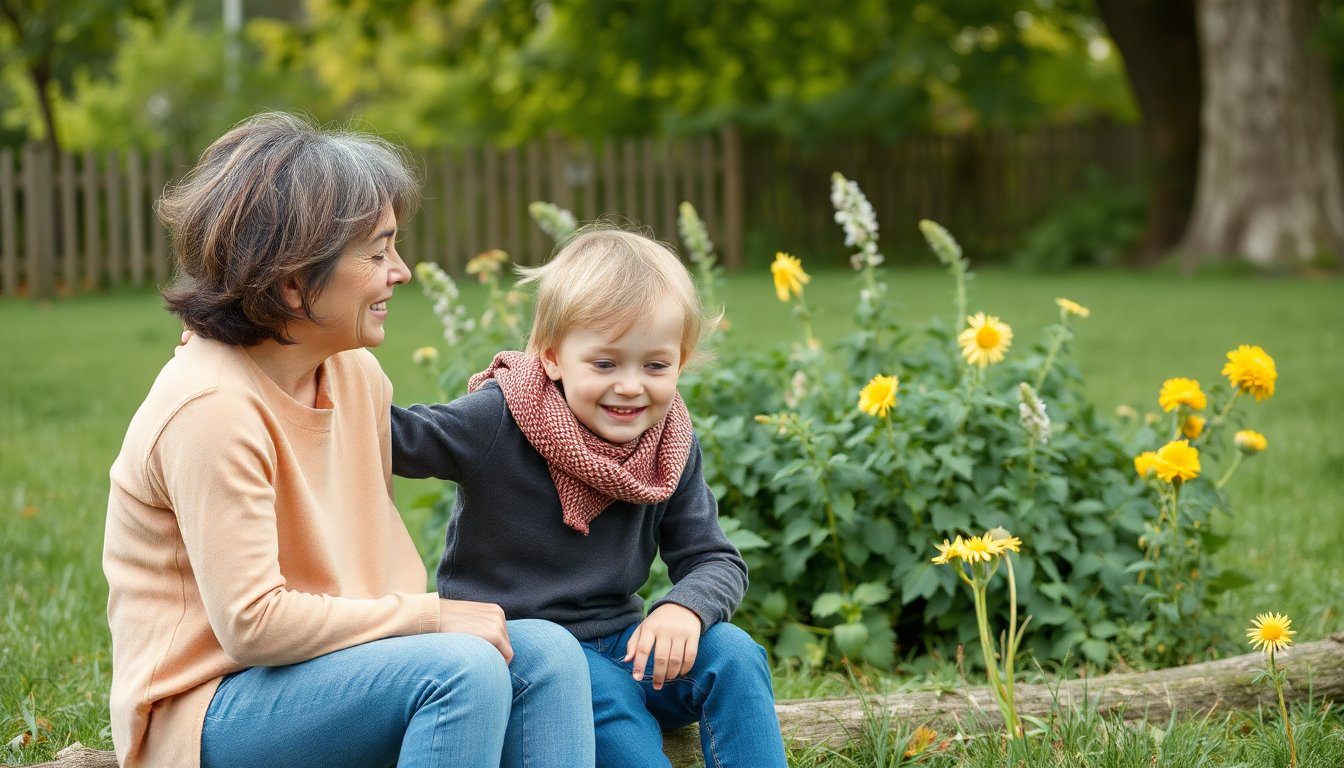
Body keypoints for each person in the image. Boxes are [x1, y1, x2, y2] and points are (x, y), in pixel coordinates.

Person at [103, 112, 595, 768]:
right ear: (292, 282)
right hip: (209, 707)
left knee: (551, 656)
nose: (403, 271)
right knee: (460, 671)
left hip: (342, 665)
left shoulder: (353, 372)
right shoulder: (209, 409)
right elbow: (252, 625)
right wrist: (429, 617)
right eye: (377, 251)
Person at [391, 228, 788, 768]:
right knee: (615, 718)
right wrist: (325, 376)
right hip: (530, 653)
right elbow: (398, 439)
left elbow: (713, 557)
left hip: (624, 642)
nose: (630, 386)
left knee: (735, 654)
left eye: (655, 365)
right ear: (552, 357)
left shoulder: (667, 442)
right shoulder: (500, 419)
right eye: (605, 364)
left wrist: (684, 609)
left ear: (682, 359)